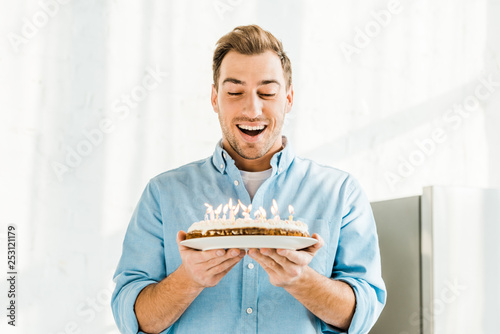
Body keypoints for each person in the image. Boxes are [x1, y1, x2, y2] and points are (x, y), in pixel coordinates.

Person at [112, 24, 386, 334]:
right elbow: (133, 319)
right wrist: (189, 279)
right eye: (234, 92)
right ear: (215, 98)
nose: (251, 109)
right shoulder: (163, 194)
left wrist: (302, 280)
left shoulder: (340, 192)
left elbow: (362, 315)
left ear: (289, 98)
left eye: (267, 92)